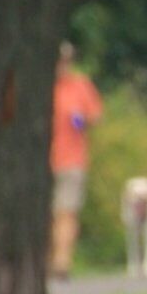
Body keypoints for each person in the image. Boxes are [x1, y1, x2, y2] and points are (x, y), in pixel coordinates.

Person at [49, 43, 104, 277]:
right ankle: (44, 262)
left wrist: (82, 120)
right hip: (41, 162)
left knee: (66, 211)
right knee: (44, 216)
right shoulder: (37, 86)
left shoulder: (79, 85)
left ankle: (62, 262)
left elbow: (96, 115)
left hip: (71, 158)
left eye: (65, 60)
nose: (62, 65)